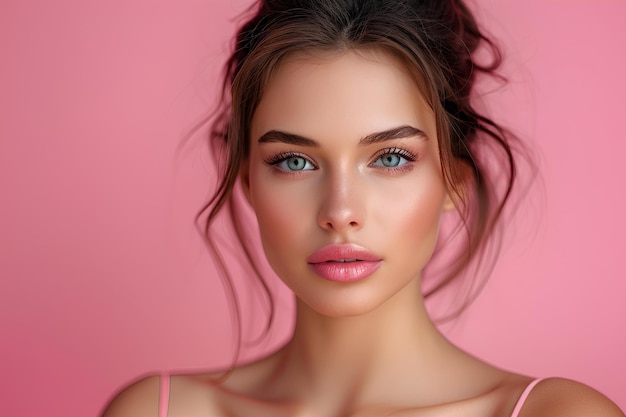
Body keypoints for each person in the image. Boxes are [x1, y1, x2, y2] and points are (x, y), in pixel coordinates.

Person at [102, 0, 625, 416]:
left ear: (454, 181)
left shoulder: (555, 414)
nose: (340, 210)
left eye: (391, 157)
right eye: (293, 162)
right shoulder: (156, 412)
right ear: (247, 180)